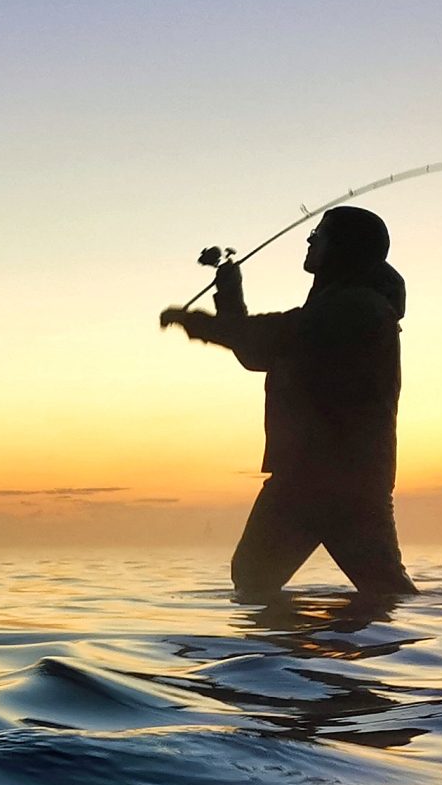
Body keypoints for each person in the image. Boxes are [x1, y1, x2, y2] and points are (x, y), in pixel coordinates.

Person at [160, 204, 416, 598]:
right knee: (375, 590)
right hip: (320, 477)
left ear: (343, 247)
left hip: (329, 479)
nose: (310, 241)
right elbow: (255, 354)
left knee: (258, 580)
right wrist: (229, 290)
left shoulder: (355, 308)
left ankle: (296, 656)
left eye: (318, 235)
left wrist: (197, 321)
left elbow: (268, 338)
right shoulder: (340, 303)